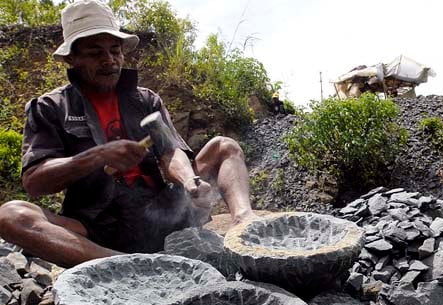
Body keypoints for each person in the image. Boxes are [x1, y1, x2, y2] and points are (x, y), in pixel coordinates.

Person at [0, 0, 254, 268]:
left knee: (224, 147)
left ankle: (246, 227)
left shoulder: (145, 100)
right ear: (71, 58)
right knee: (10, 215)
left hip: (163, 213)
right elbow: (35, 182)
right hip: (96, 228)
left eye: (115, 50)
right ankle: (122, 264)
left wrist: (190, 181)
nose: (109, 60)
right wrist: (97, 156)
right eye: (95, 53)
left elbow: (170, 153)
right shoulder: (50, 107)